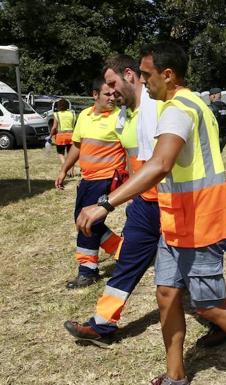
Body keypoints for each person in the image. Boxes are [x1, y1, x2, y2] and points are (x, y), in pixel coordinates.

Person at [75, 42, 226, 384]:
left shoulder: (179, 108)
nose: (142, 81)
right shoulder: (176, 105)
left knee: (208, 304)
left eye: (146, 74)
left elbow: (159, 164)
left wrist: (105, 203)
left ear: (167, 75)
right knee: (167, 294)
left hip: (200, 221)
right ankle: (176, 375)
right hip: (177, 220)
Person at [63, 54, 163, 346]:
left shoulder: (156, 109)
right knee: (127, 264)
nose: (109, 92)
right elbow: (134, 164)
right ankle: (102, 325)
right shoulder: (124, 116)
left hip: (171, 204)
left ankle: (216, 317)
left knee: (187, 271)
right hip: (144, 204)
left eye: (112, 84)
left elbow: (160, 163)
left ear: (129, 75)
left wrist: (107, 202)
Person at [55, 78, 124, 289]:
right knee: (81, 219)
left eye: (114, 94)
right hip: (87, 180)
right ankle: (124, 252)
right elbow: (77, 146)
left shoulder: (121, 118)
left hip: (105, 180)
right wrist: (64, 169)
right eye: (107, 94)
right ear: (95, 95)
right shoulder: (84, 115)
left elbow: (131, 150)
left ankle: (87, 270)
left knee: (88, 223)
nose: (112, 98)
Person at [49, 98, 76, 173]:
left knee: (60, 154)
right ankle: (72, 172)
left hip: (61, 136)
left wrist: (50, 136)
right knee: (71, 155)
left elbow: (54, 127)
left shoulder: (56, 114)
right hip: (72, 135)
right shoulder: (72, 114)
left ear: (59, 106)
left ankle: (65, 168)